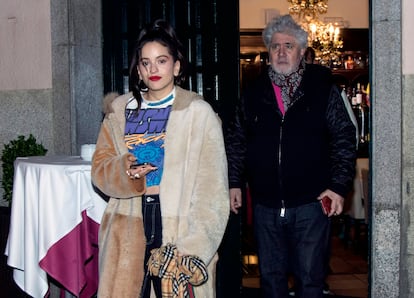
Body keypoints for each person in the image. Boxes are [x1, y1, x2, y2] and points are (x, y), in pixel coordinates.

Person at [91, 19, 230, 298]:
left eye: (161, 60)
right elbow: (99, 170)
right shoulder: (119, 112)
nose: (153, 69)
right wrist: (124, 170)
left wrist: (192, 250)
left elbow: (212, 195)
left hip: (179, 227)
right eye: (145, 63)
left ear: (176, 66)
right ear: (138, 70)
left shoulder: (198, 114)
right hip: (127, 227)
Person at [224, 14, 357, 298]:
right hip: (266, 206)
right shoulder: (252, 94)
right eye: (275, 46)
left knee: (310, 281)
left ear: (302, 52)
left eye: (288, 45)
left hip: (311, 204)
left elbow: (344, 137)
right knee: (271, 282)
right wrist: (234, 182)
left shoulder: (323, 90)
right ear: (268, 52)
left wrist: (338, 186)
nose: (281, 52)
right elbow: (236, 139)